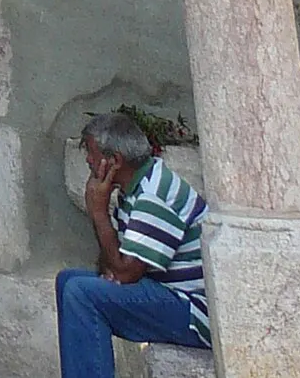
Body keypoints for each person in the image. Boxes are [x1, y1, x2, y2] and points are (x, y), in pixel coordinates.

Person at [55, 109, 212, 375]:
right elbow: (111, 265)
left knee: (82, 294)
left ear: (114, 160)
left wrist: (98, 212)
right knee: (68, 280)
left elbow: (124, 273)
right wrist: (113, 269)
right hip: (167, 292)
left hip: (195, 312)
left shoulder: (153, 196)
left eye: (91, 153)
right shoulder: (135, 189)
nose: (88, 161)